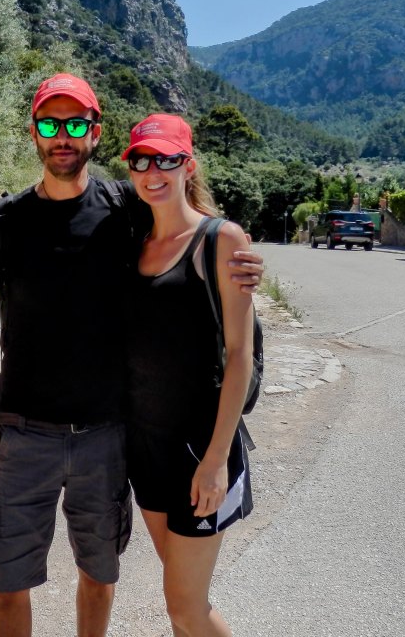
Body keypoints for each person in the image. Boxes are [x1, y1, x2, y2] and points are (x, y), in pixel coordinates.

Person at [0, 73, 263, 637]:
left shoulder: (123, 207)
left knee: (105, 580)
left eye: (76, 124)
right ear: (33, 132)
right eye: (50, 124)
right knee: (9, 585)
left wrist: (246, 258)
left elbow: (195, 229)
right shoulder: (4, 220)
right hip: (25, 430)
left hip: (107, 435)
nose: (63, 137)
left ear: (95, 135)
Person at [121, 113, 254, 637]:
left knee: (184, 606)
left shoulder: (220, 240)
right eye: (141, 161)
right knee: (181, 595)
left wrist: (217, 461)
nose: (154, 171)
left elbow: (240, 355)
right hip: (146, 447)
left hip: (202, 448)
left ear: (188, 165)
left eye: (167, 159)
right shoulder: (131, 240)